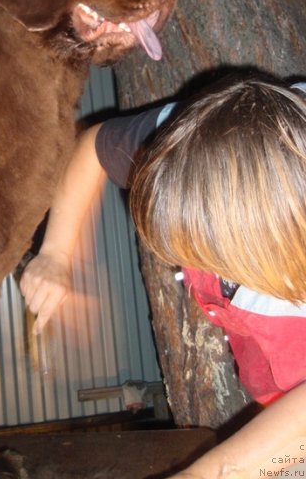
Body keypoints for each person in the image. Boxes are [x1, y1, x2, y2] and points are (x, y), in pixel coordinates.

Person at [20, 73, 306, 479]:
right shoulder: (203, 134)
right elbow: (95, 147)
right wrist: (55, 255)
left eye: (206, 254)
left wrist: (213, 472)